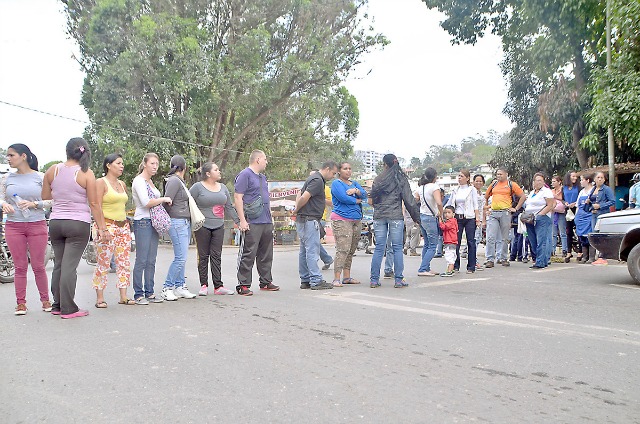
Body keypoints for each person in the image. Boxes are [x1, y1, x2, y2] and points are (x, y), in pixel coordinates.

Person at [42, 137, 109, 319]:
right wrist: (102, 229)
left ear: (67, 151)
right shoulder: (86, 173)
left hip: (56, 222)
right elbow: (94, 204)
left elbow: (46, 199)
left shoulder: (52, 170)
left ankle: (57, 304)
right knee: (69, 267)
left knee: (60, 265)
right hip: (77, 224)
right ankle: (68, 308)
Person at [0, 144, 52, 315]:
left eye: (11, 155)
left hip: (37, 223)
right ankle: (20, 303)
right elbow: (0, 198)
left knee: (38, 266)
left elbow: (52, 201)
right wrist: (5, 204)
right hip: (14, 225)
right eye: (7, 155)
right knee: (20, 266)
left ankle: (45, 300)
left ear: (23, 156)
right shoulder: (7, 178)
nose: (8, 158)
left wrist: (34, 204)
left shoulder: (40, 177)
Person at [368, 154, 420, 288]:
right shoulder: (400, 178)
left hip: (379, 216)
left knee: (379, 247)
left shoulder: (378, 179)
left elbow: (372, 200)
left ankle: (374, 280)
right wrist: (416, 218)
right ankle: (398, 279)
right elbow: (409, 200)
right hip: (395, 216)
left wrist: (379, 209)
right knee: (397, 247)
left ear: (384, 164)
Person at [91, 153, 135, 308]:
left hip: (123, 226)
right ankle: (100, 298)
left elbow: (122, 205)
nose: (122, 166)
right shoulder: (100, 182)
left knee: (123, 262)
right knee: (103, 263)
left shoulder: (122, 184)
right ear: (108, 165)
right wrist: (102, 229)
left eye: (122, 163)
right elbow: (95, 205)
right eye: (118, 163)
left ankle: (123, 295)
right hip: (107, 226)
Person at [190, 162, 239, 296]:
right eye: (216, 170)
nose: (219, 171)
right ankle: (204, 285)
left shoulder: (222, 188)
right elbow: (188, 202)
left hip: (219, 225)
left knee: (216, 255)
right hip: (202, 226)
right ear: (208, 174)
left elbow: (229, 206)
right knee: (203, 255)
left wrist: (239, 222)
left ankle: (218, 286)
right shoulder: (197, 187)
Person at [234, 150, 279, 295]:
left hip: (265, 220)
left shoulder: (263, 178)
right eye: (265, 159)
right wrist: (242, 220)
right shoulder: (245, 175)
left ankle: (265, 281)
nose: (267, 162)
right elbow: (238, 198)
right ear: (258, 159)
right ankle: (243, 284)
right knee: (249, 252)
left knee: (266, 253)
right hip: (252, 221)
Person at [131, 153, 171, 305]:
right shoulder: (139, 181)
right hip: (142, 221)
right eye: (152, 163)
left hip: (153, 222)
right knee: (141, 259)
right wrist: (163, 199)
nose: (155, 166)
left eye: (157, 164)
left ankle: (150, 291)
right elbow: (146, 202)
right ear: (145, 164)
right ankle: (138, 293)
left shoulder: (150, 181)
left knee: (151, 259)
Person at [295, 161, 338, 290]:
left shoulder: (312, 179)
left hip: (303, 219)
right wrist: (297, 209)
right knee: (312, 251)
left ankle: (305, 279)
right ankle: (316, 280)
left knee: (304, 251)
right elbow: (304, 197)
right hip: (310, 219)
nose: (333, 176)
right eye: (333, 173)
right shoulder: (317, 180)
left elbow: (306, 195)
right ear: (327, 169)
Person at [161, 155, 197, 300]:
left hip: (183, 221)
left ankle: (180, 286)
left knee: (182, 257)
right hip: (177, 221)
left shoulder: (178, 181)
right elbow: (167, 201)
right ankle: (167, 287)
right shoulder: (174, 181)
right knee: (180, 258)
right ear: (184, 167)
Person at [330, 162, 366, 286]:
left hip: (356, 220)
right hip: (341, 219)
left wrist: (356, 190)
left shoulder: (354, 183)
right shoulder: (336, 184)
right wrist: (357, 200)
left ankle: (347, 277)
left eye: (350, 168)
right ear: (339, 171)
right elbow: (343, 198)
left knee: (351, 250)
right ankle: (336, 278)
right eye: (345, 169)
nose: (348, 171)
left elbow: (365, 194)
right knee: (343, 249)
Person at [484, 168, 525, 268]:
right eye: (497, 174)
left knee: (505, 237)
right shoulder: (493, 184)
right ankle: (490, 259)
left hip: (505, 213)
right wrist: (486, 208)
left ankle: (503, 258)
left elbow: (523, 196)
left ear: (506, 174)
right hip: (494, 212)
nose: (499, 176)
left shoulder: (511, 184)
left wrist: (516, 208)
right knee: (490, 237)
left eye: (501, 174)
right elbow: (486, 196)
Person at [445, 169, 480, 274]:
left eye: (461, 176)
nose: (459, 178)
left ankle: (471, 266)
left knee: (471, 241)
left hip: (469, 217)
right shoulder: (455, 189)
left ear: (467, 178)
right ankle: (455, 265)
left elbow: (475, 204)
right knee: (456, 241)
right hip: (457, 218)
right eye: (458, 176)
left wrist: (477, 218)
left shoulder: (471, 189)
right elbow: (450, 203)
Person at [523, 173, 555, 269]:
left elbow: (550, 205)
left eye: (541, 180)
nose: (539, 182)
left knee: (541, 240)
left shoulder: (546, 191)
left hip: (542, 218)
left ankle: (540, 262)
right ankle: (540, 259)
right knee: (533, 240)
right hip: (530, 219)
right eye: (537, 180)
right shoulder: (532, 192)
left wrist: (541, 214)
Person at [584, 171, 615, 265]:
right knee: (595, 235)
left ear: (604, 179)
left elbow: (612, 201)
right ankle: (595, 257)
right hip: (593, 215)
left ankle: (603, 256)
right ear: (594, 179)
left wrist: (600, 206)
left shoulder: (606, 189)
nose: (600, 179)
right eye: (598, 177)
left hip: (602, 214)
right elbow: (589, 205)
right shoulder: (593, 189)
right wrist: (589, 204)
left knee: (601, 236)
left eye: (602, 177)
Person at [417, 168, 443, 277]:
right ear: (435, 176)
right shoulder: (434, 187)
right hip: (430, 217)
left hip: (422, 216)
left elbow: (415, 199)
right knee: (433, 245)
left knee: (427, 244)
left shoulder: (421, 188)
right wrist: (441, 214)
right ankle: (423, 268)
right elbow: (439, 202)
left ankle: (426, 267)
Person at [574, 173, 595, 263]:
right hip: (581, 217)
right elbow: (578, 205)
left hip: (589, 216)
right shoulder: (581, 192)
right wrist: (576, 216)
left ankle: (591, 257)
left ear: (588, 180)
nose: (581, 182)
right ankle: (585, 257)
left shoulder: (593, 191)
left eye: (582, 180)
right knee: (582, 237)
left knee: (589, 236)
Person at [562, 171, 581, 261]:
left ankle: (580, 251)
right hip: (568, 210)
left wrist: (575, 203)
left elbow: (581, 198)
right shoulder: (564, 188)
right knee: (568, 231)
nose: (575, 178)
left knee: (578, 230)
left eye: (576, 176)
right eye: (573, 176)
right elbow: (562, 198)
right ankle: (569, 252)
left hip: (577, 209)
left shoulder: (578, 187)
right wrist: (565, 203)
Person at [551, 175, 569, 260]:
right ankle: (552, 249)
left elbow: (563, 199)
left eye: (554, 181)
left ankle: (564, 249)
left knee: (562, 232)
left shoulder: (563, 190)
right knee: (553, 233)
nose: (553, 183)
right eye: (552, 181)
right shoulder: (551, 191)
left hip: (561, 212)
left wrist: (555, 196)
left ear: (559, 182)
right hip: (553, 212)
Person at [439, 206, 458, 277]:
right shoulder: (453, 221)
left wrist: (440, 221)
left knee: (449, 256)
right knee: (451, 255)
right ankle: (450, 269)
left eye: (449, 212)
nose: (446, 214)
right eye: (445, 213)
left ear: (453, 214)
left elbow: (444, 227)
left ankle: (449, 271)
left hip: (450, 241)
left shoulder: (451, 222)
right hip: (452, 241)